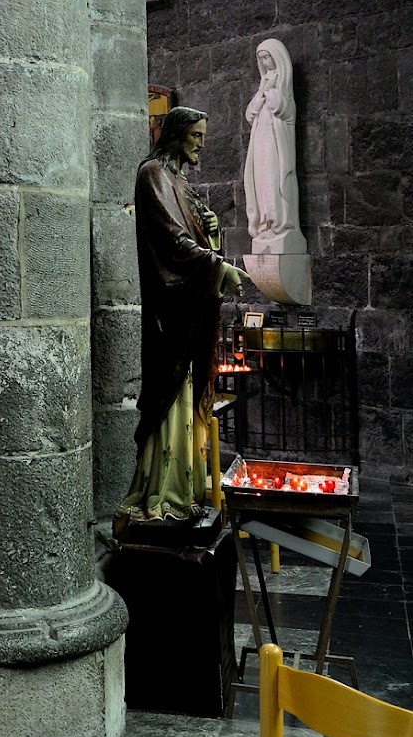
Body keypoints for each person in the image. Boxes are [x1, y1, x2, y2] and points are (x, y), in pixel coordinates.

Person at [118, 107, 243, 526]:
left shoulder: (181, 182)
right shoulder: (152, 174)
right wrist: (218, 266)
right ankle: (161, 492)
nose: (201, 144)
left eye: (203, 136)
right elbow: (171, 242)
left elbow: (193, 239)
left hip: (188, 314)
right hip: (168, 316)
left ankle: (182, 491)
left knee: (186, 406)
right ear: (176, 134)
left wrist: (212, 233)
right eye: (196, 135)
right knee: (169, 404)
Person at [244, 37, 305, 255]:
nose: (265, 63)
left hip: (274, 141)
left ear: (277, 58)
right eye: (261, 59)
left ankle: (278, 221)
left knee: (273, 178)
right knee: (260, 181)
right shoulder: (265, 80)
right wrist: (261, 96)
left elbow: (285, 109)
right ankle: (264, 224)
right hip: (260, 139)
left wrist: (270, 93)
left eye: (267, 57)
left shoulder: (282, 80)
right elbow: (250, 113)